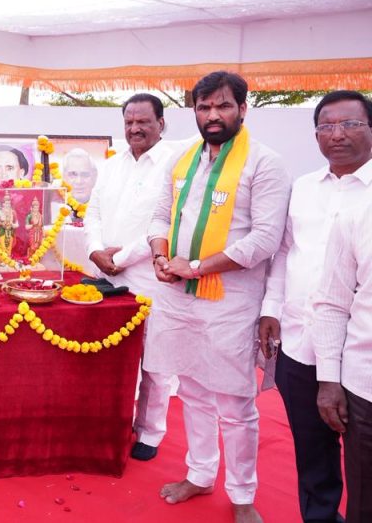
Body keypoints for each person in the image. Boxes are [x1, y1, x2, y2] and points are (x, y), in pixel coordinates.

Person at [148, 72, 289, 523]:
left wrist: (196, 267)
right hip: (178, 295)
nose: (213, 115)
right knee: (191, 390)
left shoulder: (265, 163)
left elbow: (264, 239)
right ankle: (200, 473)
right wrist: (160, 256)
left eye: (223, 106)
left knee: (234, 403)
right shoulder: (181, 158)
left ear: (243, 109)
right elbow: (160, 215)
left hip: (230, 301)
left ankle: (242, 495)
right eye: (204, 107)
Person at [260, 90, 372, 523]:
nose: (337, 135)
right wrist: (271, 307)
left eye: (350, 124)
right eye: (327, 126)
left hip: (360, 353)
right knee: (312, 450)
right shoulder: (303, 188)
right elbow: (285, 251)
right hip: (300, 340)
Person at [84, 93, 180, 462]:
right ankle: (109, 423)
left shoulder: (175, 164)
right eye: (129, 122)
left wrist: (121, 258)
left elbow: (166, 222)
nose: (135, 128)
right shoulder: (112, 164)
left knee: (154, 359)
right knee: (107, 356)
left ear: (161, 123)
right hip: (105, 275)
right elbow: (92, 212)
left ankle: (150, 432)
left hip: (149, 275)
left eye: (143, 121)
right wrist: (95, 249)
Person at [313, 181, 372, 523]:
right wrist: (328, 380)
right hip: (365, 389)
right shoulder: (357, 214)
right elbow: (333, 303)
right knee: (365, 503)